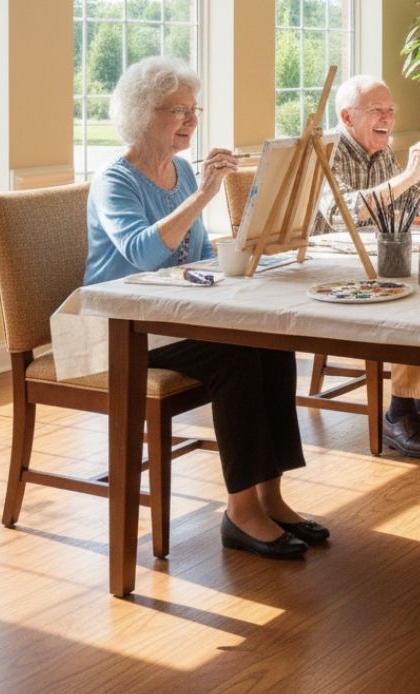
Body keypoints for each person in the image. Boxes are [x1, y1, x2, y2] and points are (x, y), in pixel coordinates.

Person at [85, 56, 325, 561]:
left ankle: (270, 496)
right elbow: (143, 254)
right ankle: (240, 513)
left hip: (173, 314)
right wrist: (204, 196)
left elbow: (194, 259)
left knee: (270, 344)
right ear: (141, 113)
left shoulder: (178, 169)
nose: (192, 121)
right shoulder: (116, 180)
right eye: (179, 111)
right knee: (234, 357)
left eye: (194, 110)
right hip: (122, 328)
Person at [316, 74, 420, 460]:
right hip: (333, 267)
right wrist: (408, 177)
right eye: (377, 110)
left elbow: (401, 206)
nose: (387, 119)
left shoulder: (382, 150)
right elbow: (344, 213)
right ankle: (399, 412)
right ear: (347, 117)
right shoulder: (328, 150)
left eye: (391, 111)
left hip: (378, 259)